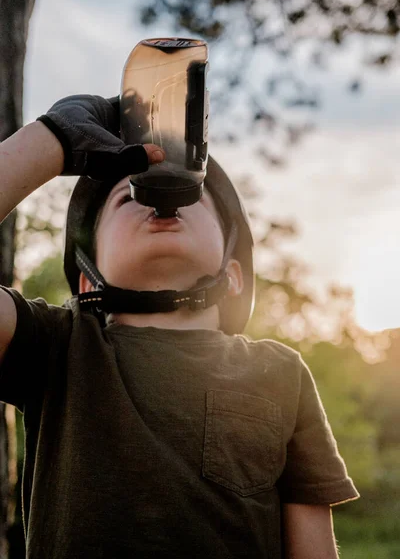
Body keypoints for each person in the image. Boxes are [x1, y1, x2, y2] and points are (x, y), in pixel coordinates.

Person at [0, 94, 359, 559]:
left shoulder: (281, 372)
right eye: (127, 193)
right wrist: (50, 140)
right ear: (89, 277)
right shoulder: (57, 346)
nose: (156, 196)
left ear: (233, 275)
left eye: (189, 190)